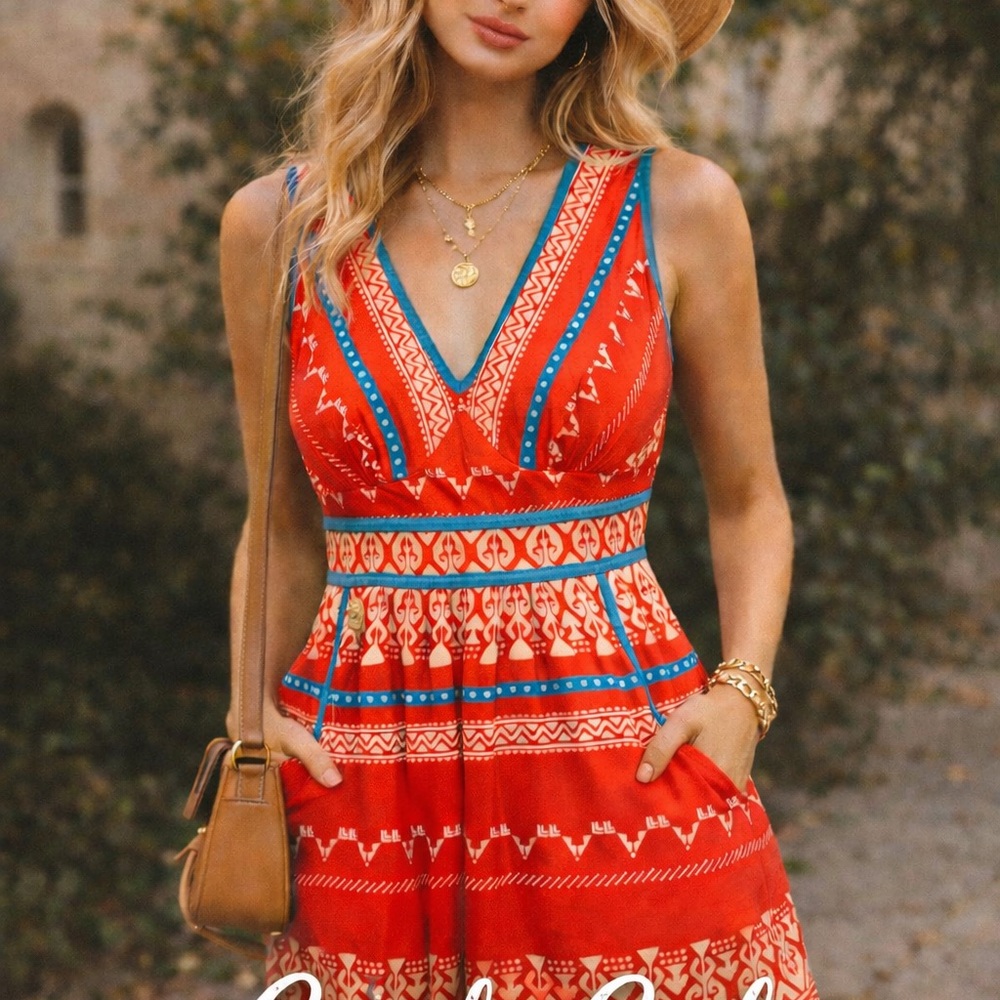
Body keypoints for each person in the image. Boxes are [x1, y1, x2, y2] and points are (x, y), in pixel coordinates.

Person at [220, 1, 818, 997]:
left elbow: (750, 500)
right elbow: (275, 523)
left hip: (626, 771)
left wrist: (741, 696)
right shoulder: (278, 224)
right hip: (359, 782)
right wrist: (248, 717)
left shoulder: (679, 205)